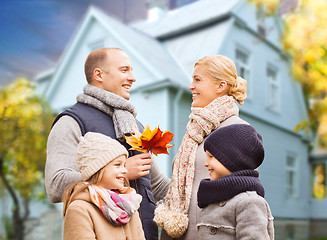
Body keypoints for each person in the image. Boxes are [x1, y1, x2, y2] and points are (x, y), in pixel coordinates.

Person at [45, 48, 170, 240]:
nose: (133, 77)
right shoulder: (71, 122)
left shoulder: (135, 126)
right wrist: (120, 171)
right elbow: (56, 185)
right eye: (124, 70)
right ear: (99, 74)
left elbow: (158, 185)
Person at [154, 55, 248, 239]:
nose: (191, 86)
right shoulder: (196, 130)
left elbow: (246, 193)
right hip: (181, 231)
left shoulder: (238, 130)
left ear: (220, 86)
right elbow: (183, 189)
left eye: (197, 80)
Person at [63, 132, 145, 240]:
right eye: (117, 165)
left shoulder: (129, 205)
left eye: (124, 165)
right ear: (98, 169)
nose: (125, 171)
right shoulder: (79, 210)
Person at [197, 124, 274, 239]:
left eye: (211, 156)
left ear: (232, 159)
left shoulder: (249, 201)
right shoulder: (213, 197)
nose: (206, 163)